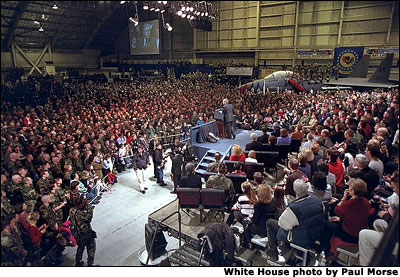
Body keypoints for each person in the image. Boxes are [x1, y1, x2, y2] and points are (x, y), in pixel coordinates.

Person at [266, 179, 324, 262]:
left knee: (270, 222)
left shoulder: (294, 208)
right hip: (316, 233)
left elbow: (282, 224)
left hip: (303, 238)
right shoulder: (317, 200)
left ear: (295, 192)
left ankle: (273, 252)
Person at [323, 178, 370, 256]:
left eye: (350, 188)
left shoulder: (348, 204)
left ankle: (326, 251)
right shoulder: (366, 202)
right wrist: (341, 219)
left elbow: (337, 210)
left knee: (327, 225)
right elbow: (355, 216)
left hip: (348, 234)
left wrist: (344, 198)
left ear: (352, 191)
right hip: (359, 231)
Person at [69, 198, 97, 266]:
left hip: (77, 234)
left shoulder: (72, 210)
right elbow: (89, 218)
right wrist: (88, 206)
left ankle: (78, 262)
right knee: (91, 248)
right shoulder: (81, 213)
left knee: (80, 249)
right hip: (85, 233)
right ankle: (90, 264)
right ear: (80, 204)